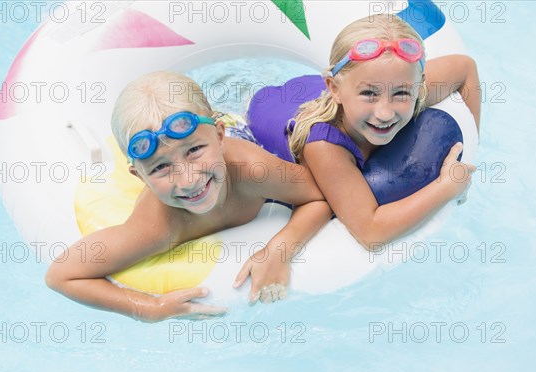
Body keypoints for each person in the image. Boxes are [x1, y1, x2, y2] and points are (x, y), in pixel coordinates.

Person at [45, 71, 332, 322]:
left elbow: (319, 196)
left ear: (219, 138)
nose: (188, 180)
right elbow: (63, 275)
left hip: (239, 131)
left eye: (194, 151)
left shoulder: (252, 170)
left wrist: (279, 250)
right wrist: (147, 308)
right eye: (160, 167)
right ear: (139, 177)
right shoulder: (156, 227)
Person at [247, 14, 480, 250]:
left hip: (321, 88)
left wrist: (472, 149)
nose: (385, 113)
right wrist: (447, 187)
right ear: (334, 89)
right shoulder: (325, 146)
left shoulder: (402, 82)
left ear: (418, 86)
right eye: (369, 94)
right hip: (267, 106)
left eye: (401, 94)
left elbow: (466, 69)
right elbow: (371, 232)